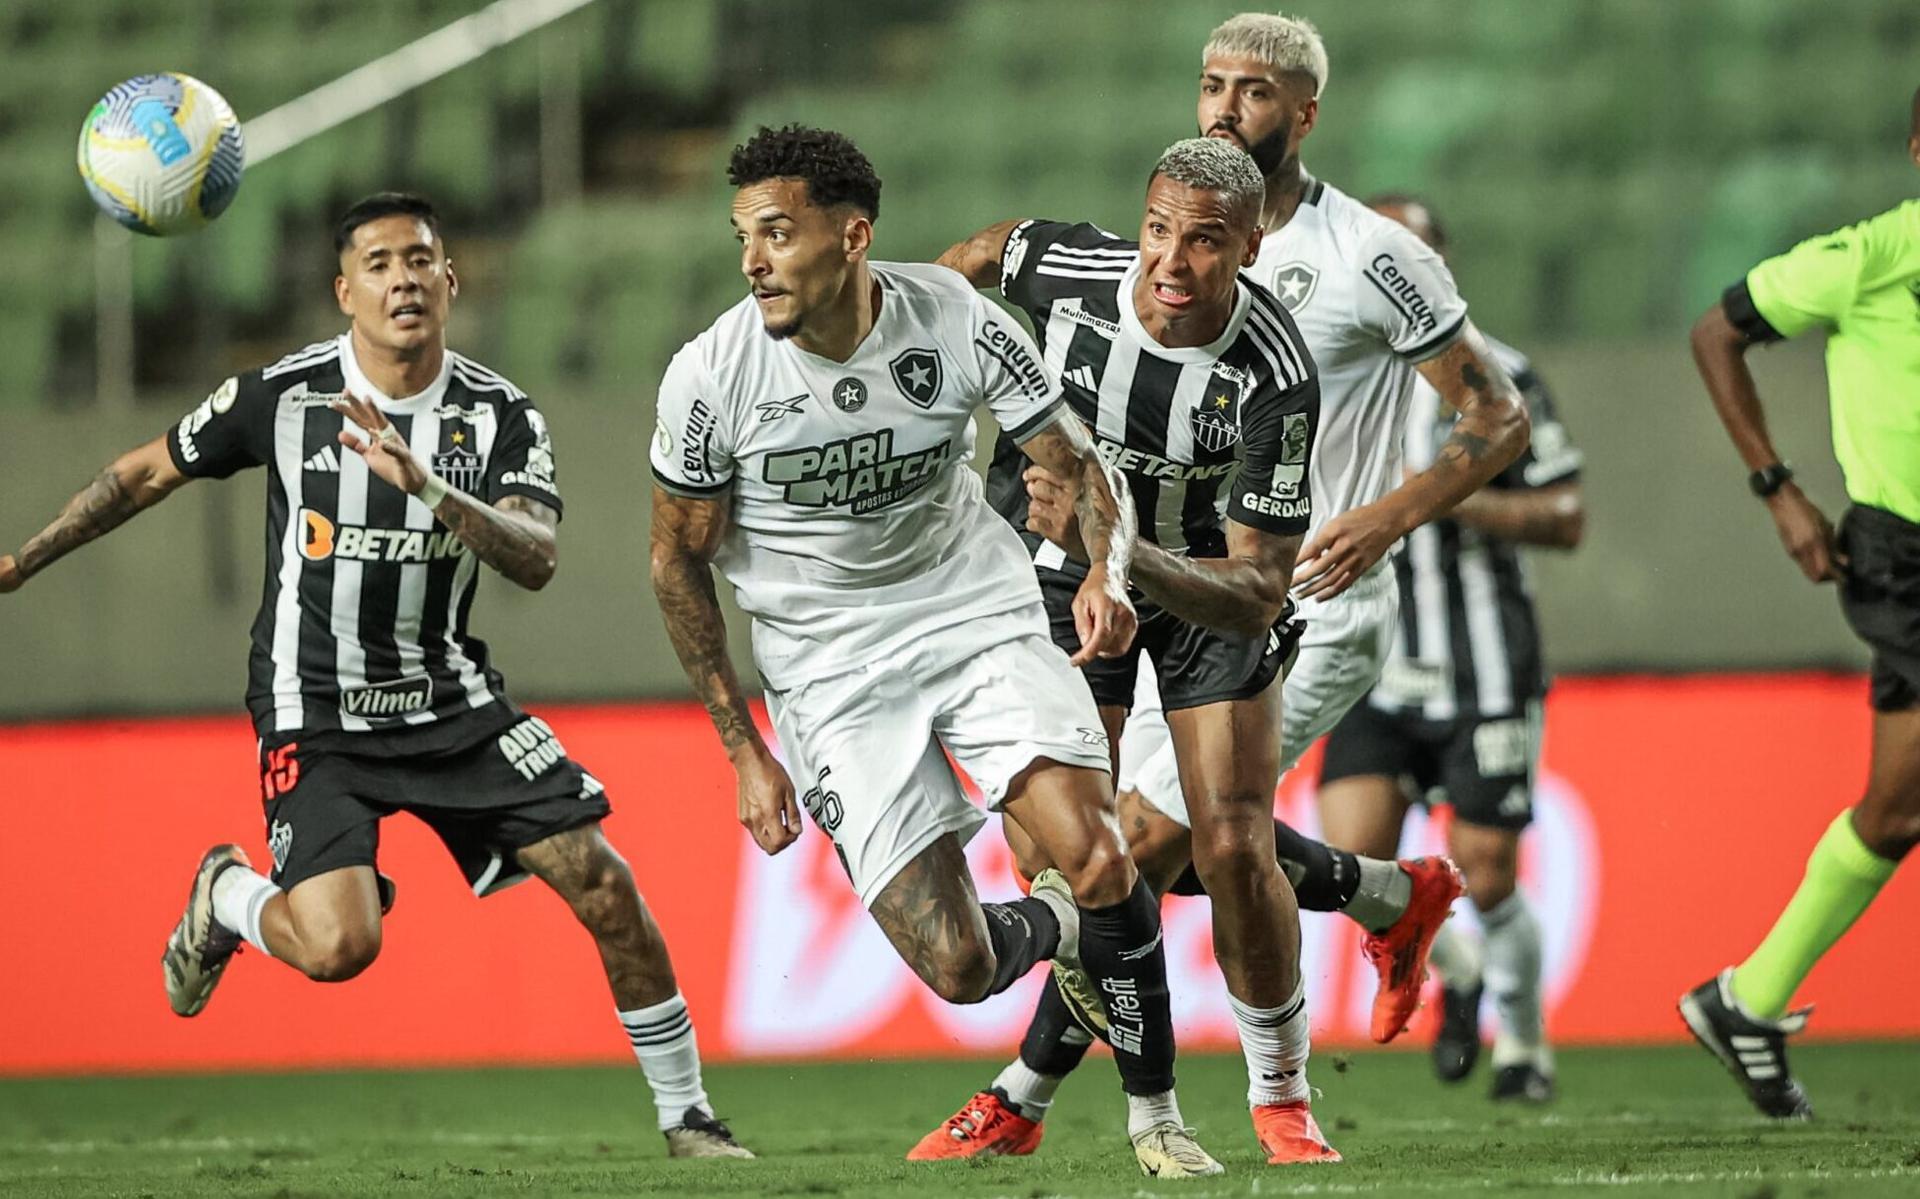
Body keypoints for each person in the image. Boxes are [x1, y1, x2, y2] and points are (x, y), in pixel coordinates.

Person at [0, 194, 751, 1159]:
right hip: (312, 711)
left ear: (451, 279)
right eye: (381, 263)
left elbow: (535, 556)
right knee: (338, 948)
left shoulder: (498, 412)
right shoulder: (283, 396)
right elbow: (146, 472)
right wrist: (29, 557)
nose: (403, 278)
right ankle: (227, 895)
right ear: (344, 289)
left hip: (450, 703)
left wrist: (429, 485)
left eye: (421, 260)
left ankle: (688, 1117)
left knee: (603, 883)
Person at [914, 13, 1530, 1163]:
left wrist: (1385, 517)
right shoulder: (1139, 250)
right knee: (1136, 846)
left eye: (1255, 92)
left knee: (1150, 840)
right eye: (1211, 85)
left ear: (1304, 115)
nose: (1225, 108)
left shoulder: (1369, 258)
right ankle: (1386, 895)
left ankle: (1035, 1093)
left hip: (1301, 587)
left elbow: (1497, 417)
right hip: (1131, 574)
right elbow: (969, 273)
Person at [646, 125, 1221, 1178]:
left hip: (974, 612)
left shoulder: (952, 317)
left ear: (852, 234)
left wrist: (1103, 570)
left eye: (777, 232)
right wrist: (744, 748)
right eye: (743, 237)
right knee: (959, 966)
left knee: (1098, 849)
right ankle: (1053, 927)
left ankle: (1159, 1122)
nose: (753, 260)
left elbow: (1072, 459)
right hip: (829, 672)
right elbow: (675, 565)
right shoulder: (710, 378)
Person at [923, 135, 1343, 1167]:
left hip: (1201, 586)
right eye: (1160, 230)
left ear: (1251, 244)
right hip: (1062, 578)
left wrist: (1123, 557)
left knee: (1235, 844)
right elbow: (976, 257)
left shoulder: (1274, 374)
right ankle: (1352, 887)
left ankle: (1280, 1093)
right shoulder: (1072, 271)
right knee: (1070, 856)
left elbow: (1257, 591)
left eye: (1204, 242)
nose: (1171, 260)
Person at [1678, 86, 1920, 1121]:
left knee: (1900, 805)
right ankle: (1748, 997)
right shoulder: (1873, 254)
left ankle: (1749, 998)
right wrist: (1779, 490)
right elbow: (1716, 332)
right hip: (1906, 555)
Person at [1318, 194, 1586, 1103]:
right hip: (1369, 664)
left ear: (1440, 269)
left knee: (1493, 872)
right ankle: (1457, 962)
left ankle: (1526, 1049)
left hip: (1484, 664)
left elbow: (1567, 512)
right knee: (1346, 863)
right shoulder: (1323, 371)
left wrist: (1446, 493)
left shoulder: (1498, 376)